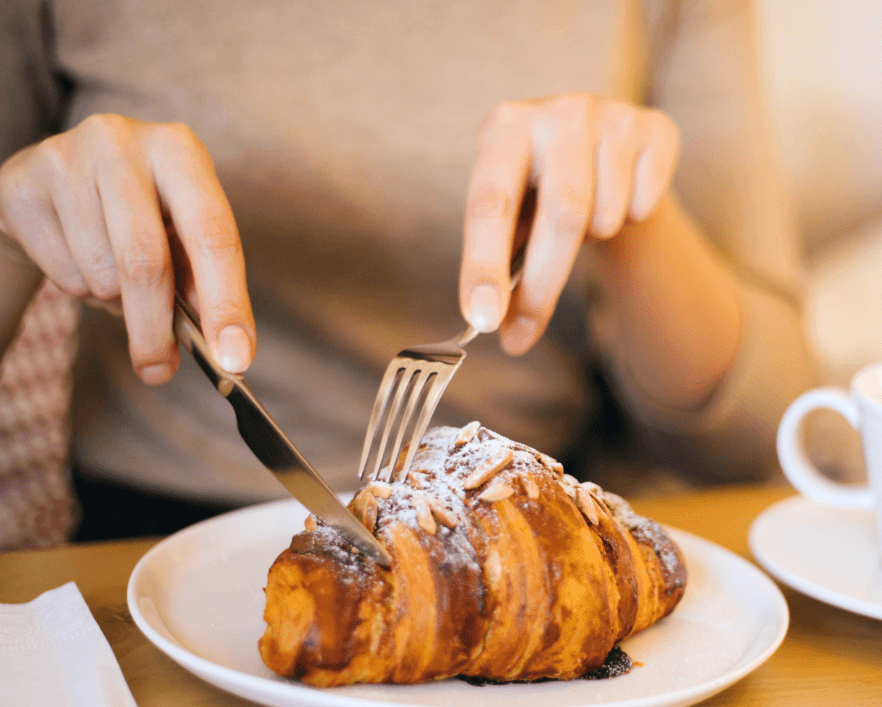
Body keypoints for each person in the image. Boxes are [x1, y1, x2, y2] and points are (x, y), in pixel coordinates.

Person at [0, 0, 816, 543]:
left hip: (530, 532)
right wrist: (11, 228)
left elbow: (766, 436)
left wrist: (633, 224)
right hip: (142, 541)